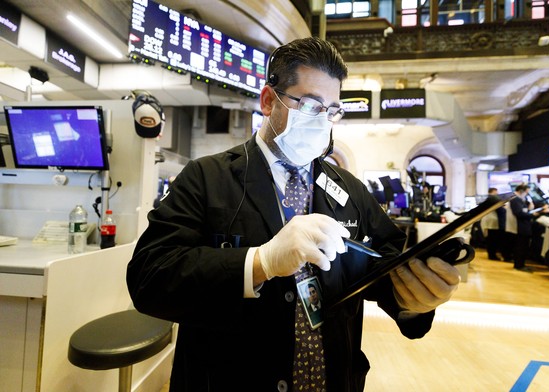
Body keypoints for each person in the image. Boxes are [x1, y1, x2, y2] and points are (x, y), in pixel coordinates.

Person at [126, 37, 461, 392]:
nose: (323, 121)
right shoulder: (206, 177)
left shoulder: (350, 190)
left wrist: (415, 300)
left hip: (332, 379)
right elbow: (150, 277)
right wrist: (260, 262)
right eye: (311, 106)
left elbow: (388, 265)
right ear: (269, 101)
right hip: (230, 379)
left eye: (331, 110)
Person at [506, 183, 546, 272]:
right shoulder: (516, 199)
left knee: (522, 246)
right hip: (520, 227)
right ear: (521, 191)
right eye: (526, 193)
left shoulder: (517, 199)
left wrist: (529, 210)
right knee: (520, 247)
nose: (527, 195)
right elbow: (519, 213)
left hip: (521, 227)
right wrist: (532, 213)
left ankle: (521, 264)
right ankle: (519, 265)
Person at [480, 187, 508, 261]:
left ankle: (492, 254)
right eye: (496, 192)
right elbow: (500, 210)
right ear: (493, 191)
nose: (497, 194)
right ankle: (492, 255)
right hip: (492, 223)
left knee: (491, 240)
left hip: (490, 222)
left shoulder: (488, 198)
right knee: (492, 240)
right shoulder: (492, 199)